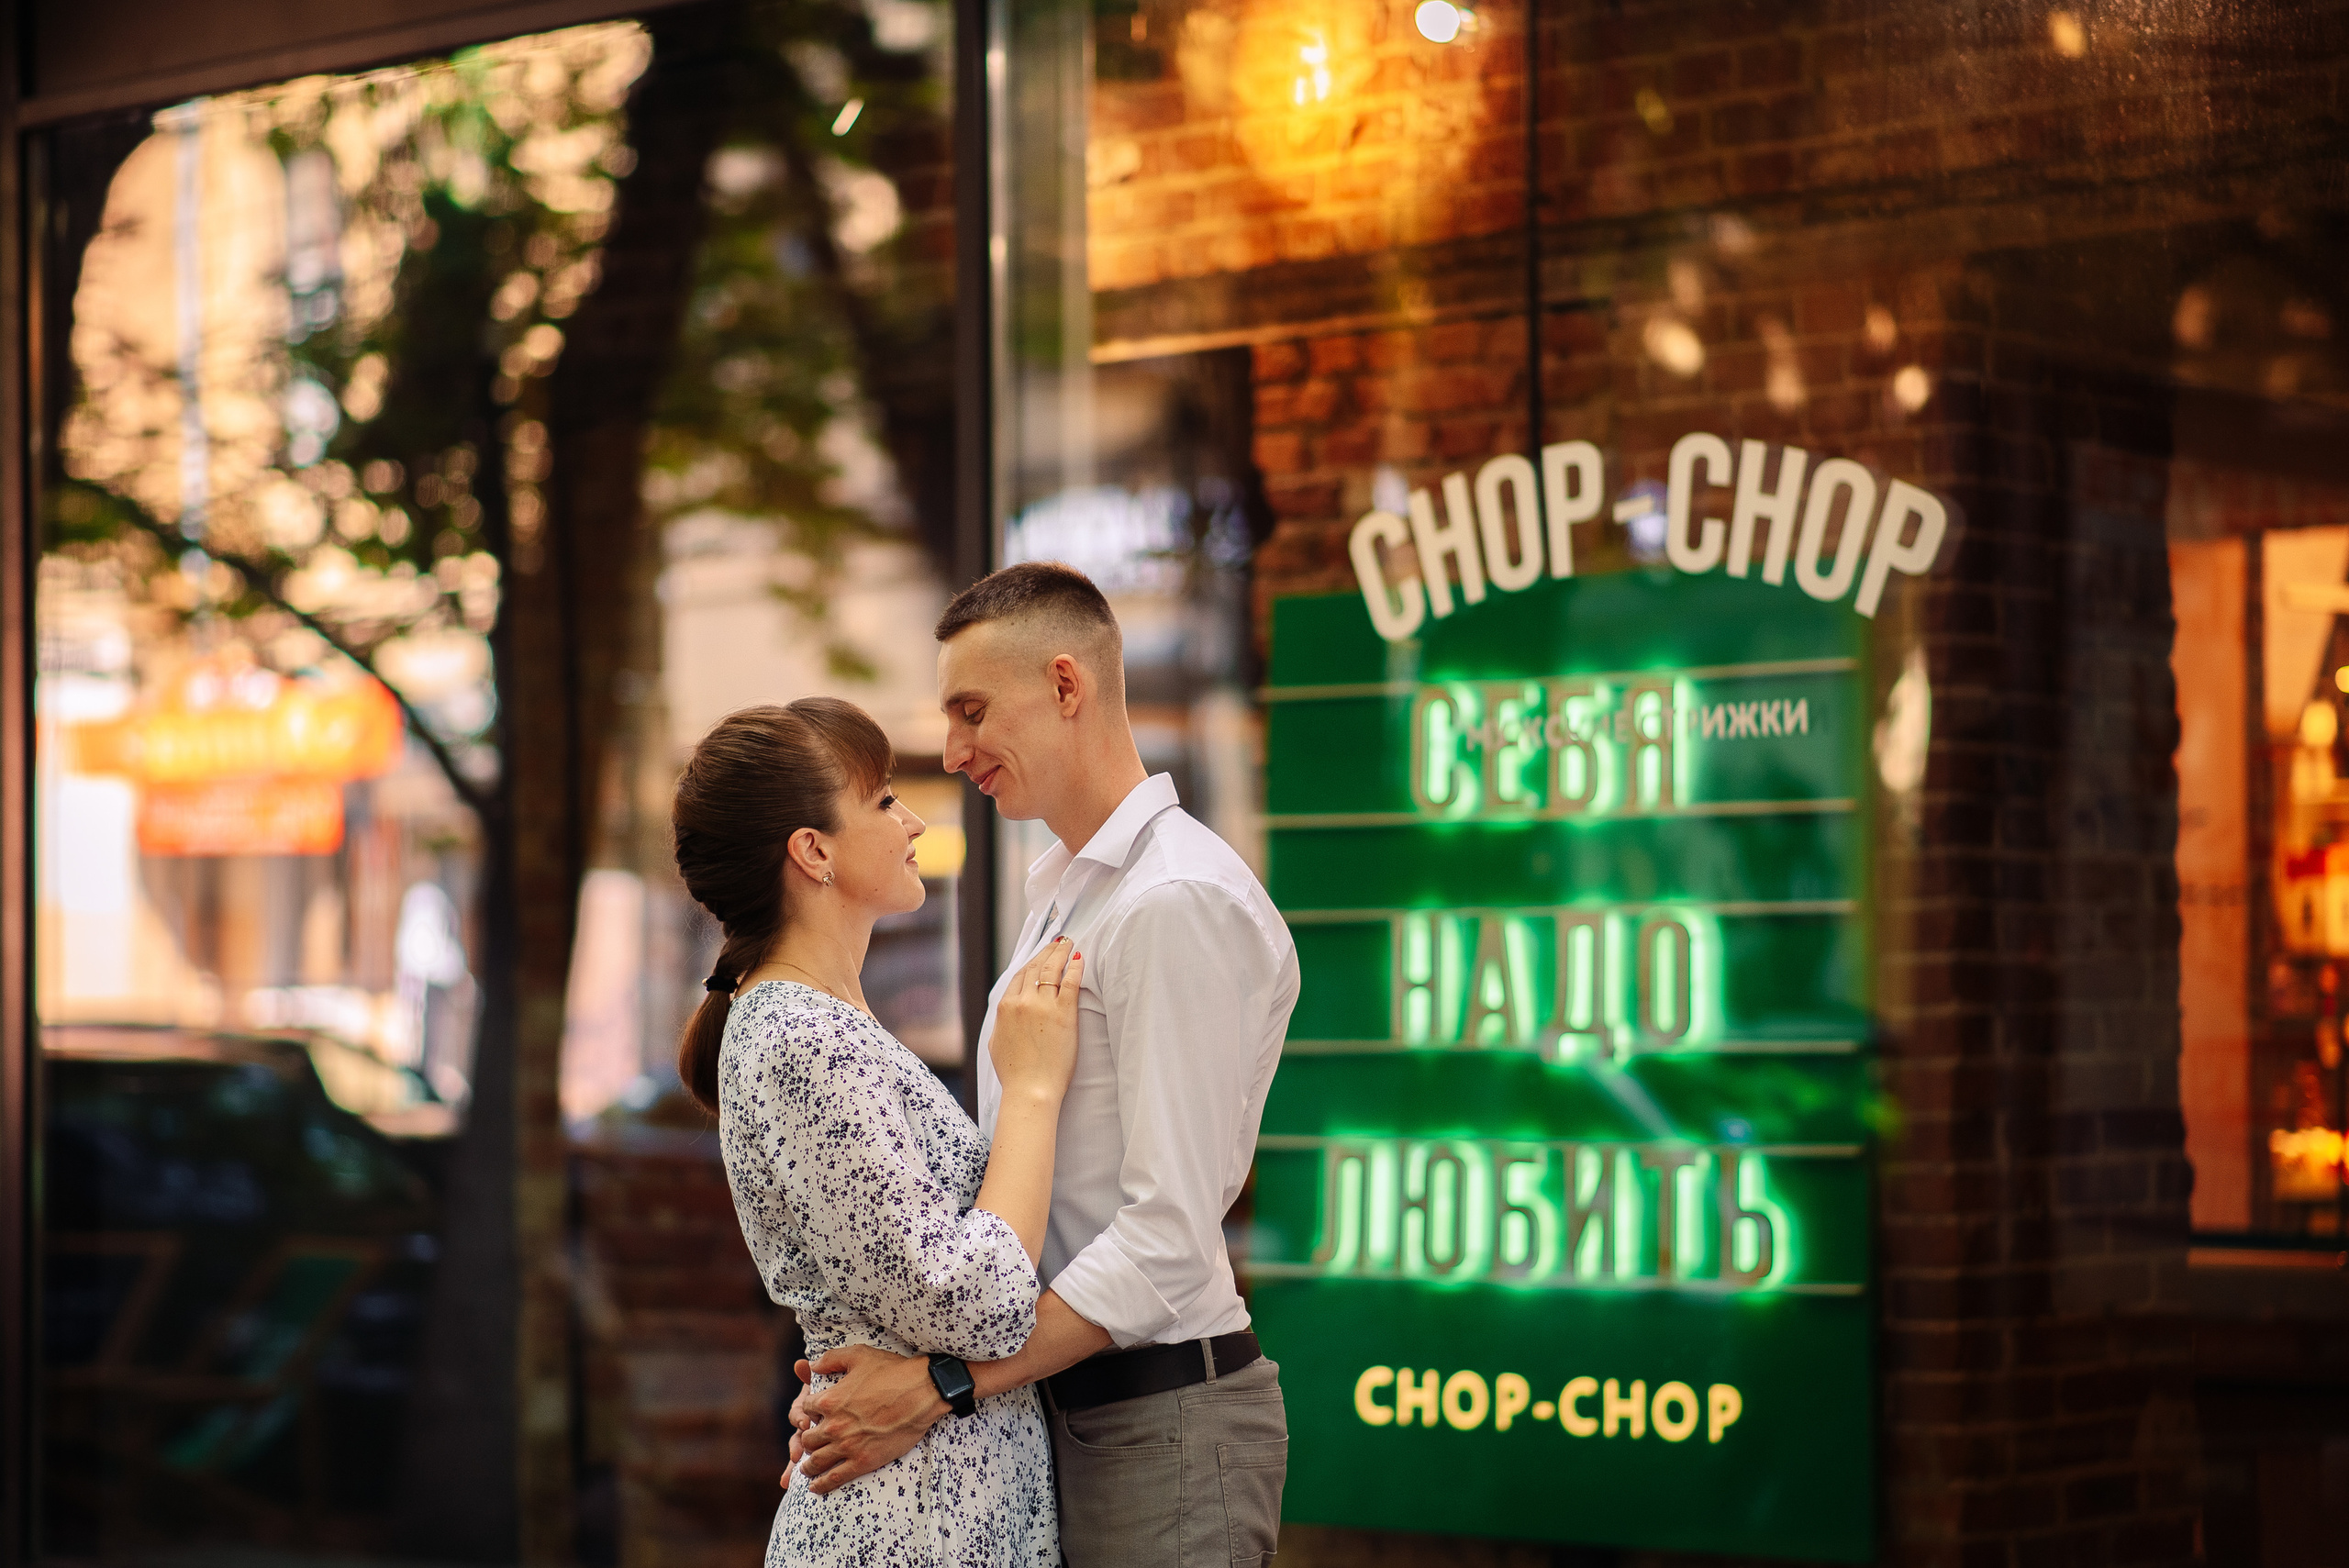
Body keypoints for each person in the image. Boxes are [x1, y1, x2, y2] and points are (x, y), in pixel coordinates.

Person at [788, 563, 1301, 1568]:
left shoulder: (1171, 900)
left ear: (1066, 685)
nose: (953, 749)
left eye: (972, 709)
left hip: (1163, 1419)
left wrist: (941, 1381)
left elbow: (1165, 1234)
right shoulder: (1068, 892)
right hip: (1062, 1408)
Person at [673, 697, 1086, 1567]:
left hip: (933, 1505)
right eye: (886, 800)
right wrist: (1035, 1087)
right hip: (910, 1522)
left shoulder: (819, 1023)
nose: (915, 820)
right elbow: (972, 1301)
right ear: (812, 850)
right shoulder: (801, 1040)